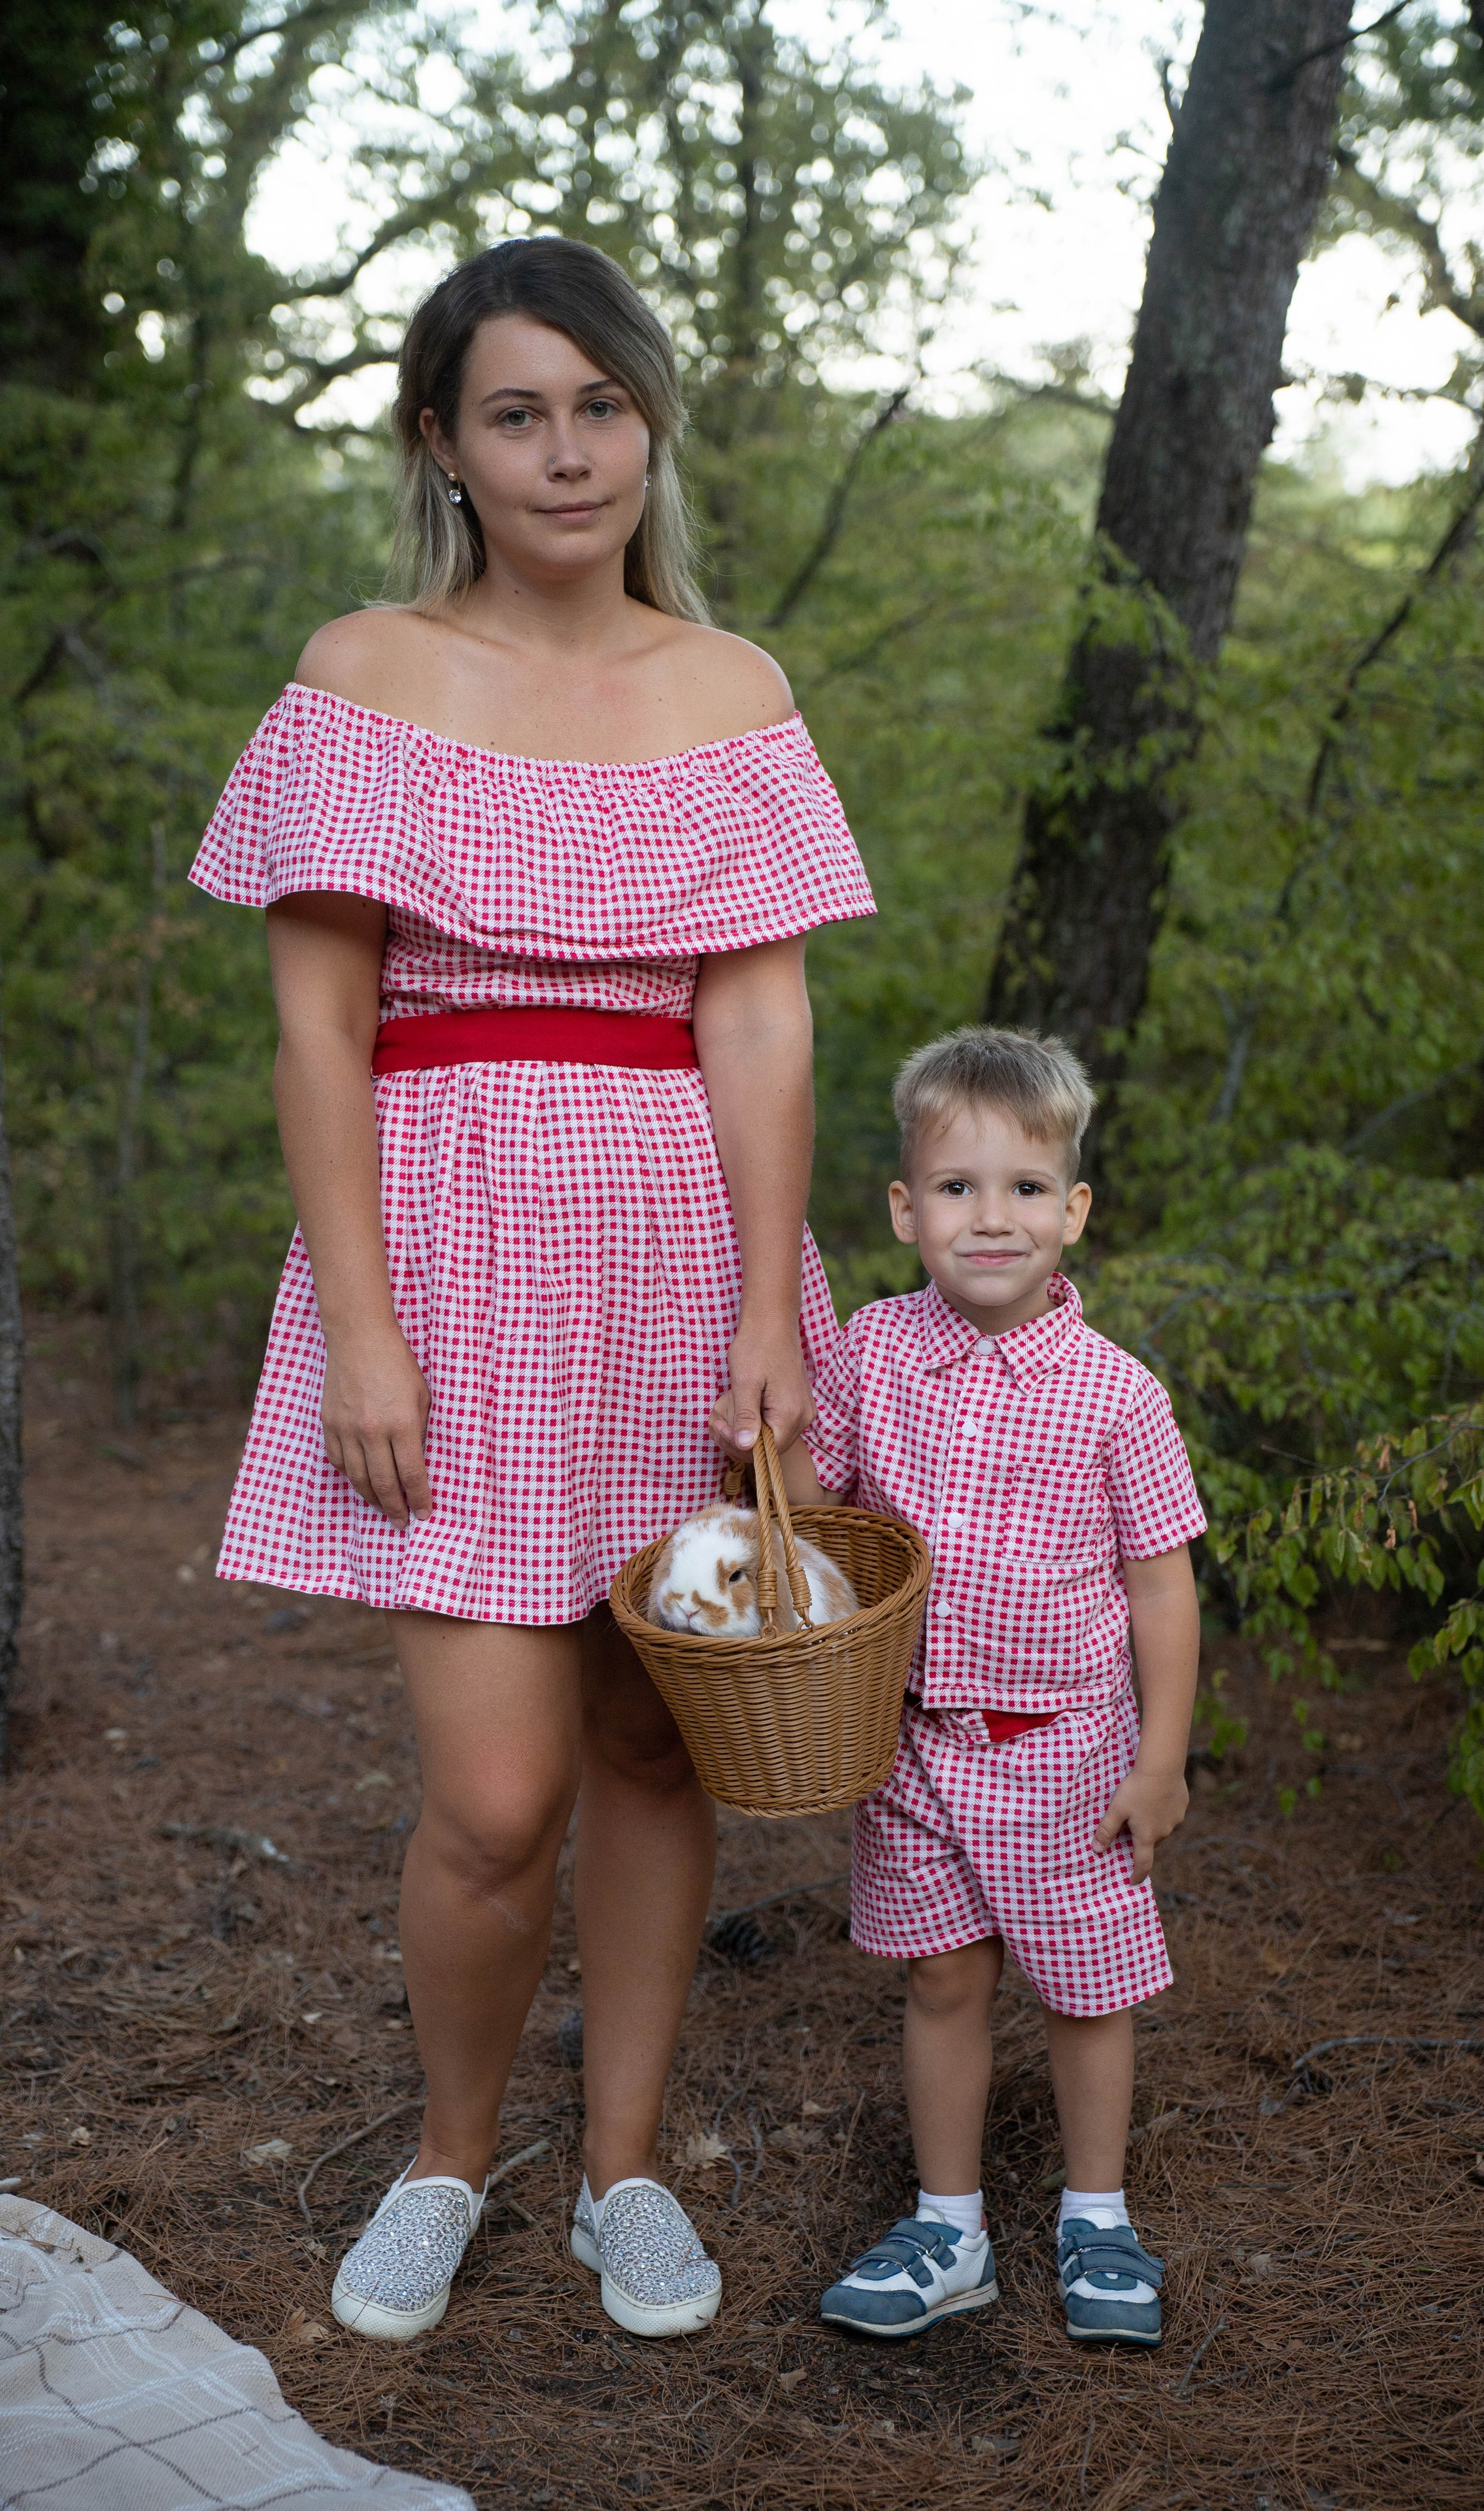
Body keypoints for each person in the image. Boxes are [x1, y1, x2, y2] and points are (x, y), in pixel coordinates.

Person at [188, 237, 874, 2345]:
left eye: (600, 403)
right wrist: (363, 1320)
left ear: (648, 423)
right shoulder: (364, 669)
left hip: (685, 1249)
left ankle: (627, 2169)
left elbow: (756, 1026)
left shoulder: (729, 688)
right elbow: (321, 1031)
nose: (567, 451)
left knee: (658, 1755)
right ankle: (447, 2152)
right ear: (444, 445)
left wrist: (771, 1311)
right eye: (516, 411)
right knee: (497, 1797)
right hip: (452, 1256)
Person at [778, 1026, 1204, 2346]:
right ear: (906, 1210)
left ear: (1072, 1209)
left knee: (1085, 1988)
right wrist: (770, 1440)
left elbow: (1159, 1583)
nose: (990, 1218)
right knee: (942, 1982)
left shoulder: (1114, 1395)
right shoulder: (870, 1349)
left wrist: (1160, 1759)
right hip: (910, 1748)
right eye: (956, 1188)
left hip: (1068, 1751)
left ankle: (1096, 2217)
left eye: (1023, 1189)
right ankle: (947, 2225)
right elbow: (815, 1512)